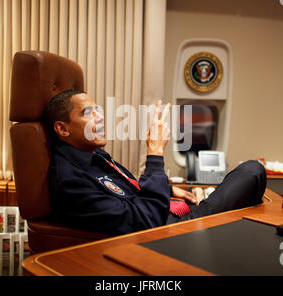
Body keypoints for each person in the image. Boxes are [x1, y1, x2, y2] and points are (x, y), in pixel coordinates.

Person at [44, 89, 266, 235]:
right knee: (252, 171)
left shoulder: (94, 155)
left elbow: (131, 192)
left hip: (168, 217)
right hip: (169, 234)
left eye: (99, 112)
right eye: (88, 113)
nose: (100, 118)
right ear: (62, 128)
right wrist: (155, 152)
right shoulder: (71, 182)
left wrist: (167, 189)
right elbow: (146, 223)